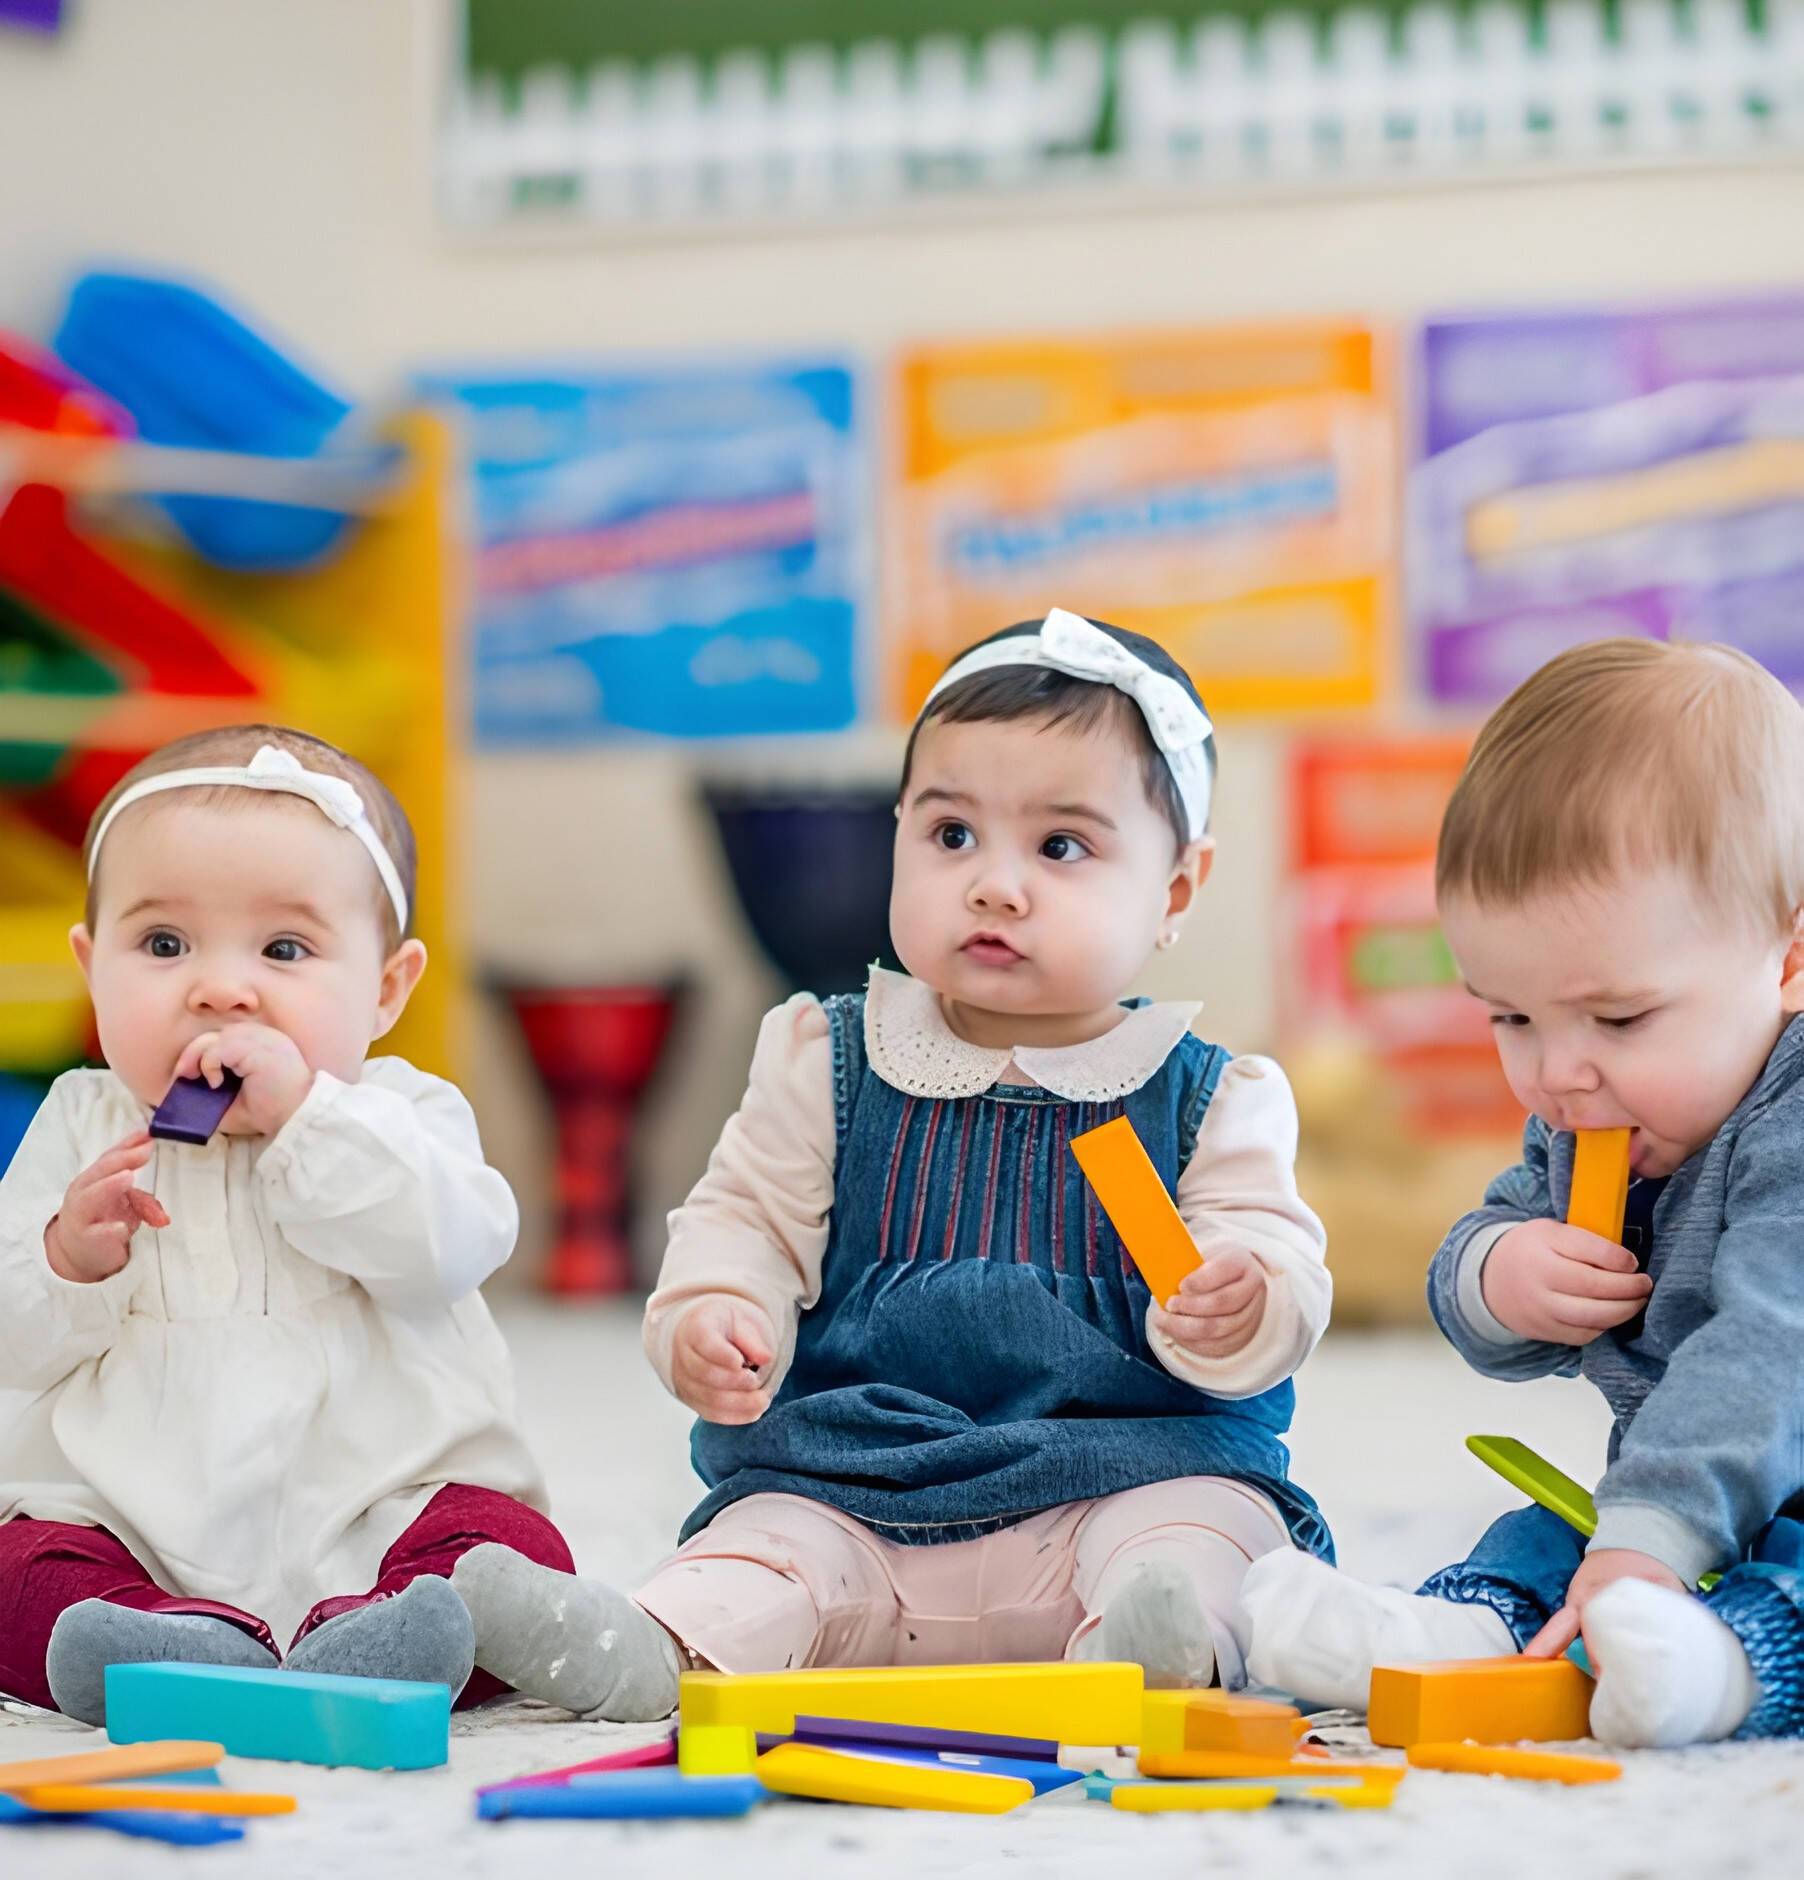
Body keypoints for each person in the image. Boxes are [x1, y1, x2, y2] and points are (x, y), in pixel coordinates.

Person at [1243, 639, 1804, 1748]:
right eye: (1510, 1017)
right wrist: (1498, 1276)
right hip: (1679, 1499)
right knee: (1539, 1533)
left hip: (1753, 1482)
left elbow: (1768, 1347)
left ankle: (1720, 1666)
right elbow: (1488, 1240)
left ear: (1788, 963)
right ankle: (1461, 1628)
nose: (1555, 1072)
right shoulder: (1594, 1112)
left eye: (1618, 1018)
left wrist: (1649, 1537)